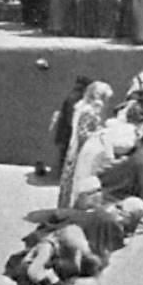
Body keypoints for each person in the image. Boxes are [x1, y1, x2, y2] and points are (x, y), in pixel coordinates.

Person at [58, 81, 114, 209]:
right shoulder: (89, 111)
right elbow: (82, 133)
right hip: (83, 153)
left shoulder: (83, 107)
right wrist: (100, 134)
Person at [53, 75, 93, 176]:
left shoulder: (72, 96)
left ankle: (62, 174)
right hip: (68, 133)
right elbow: (71, 119)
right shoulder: (76, 98)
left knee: (65, 155)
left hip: (65, 132)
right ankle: (64, 176)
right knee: (68, 156)